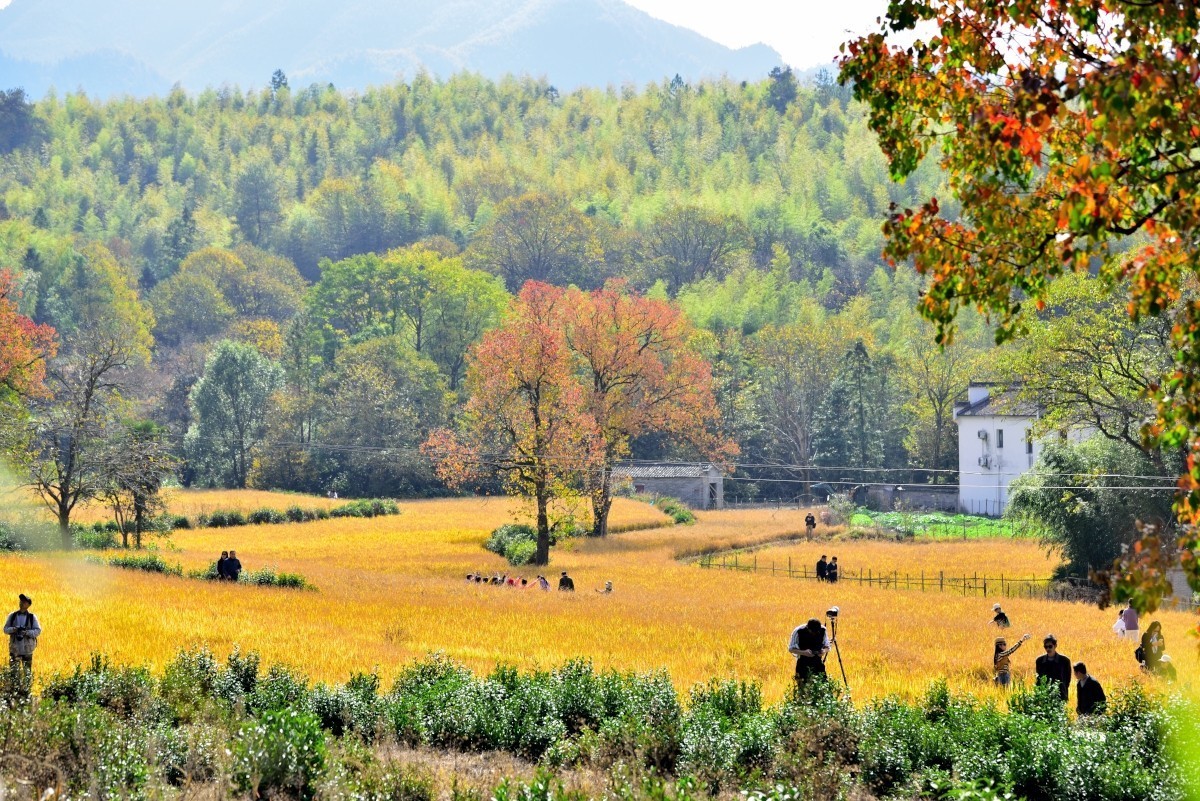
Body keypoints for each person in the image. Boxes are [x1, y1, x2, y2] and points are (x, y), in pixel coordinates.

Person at [4, 594, 41, 685]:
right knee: (14, 673)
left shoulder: (32, 617)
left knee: (27, 673)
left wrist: (26, 632)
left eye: (24, 602)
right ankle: (14, 691)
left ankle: (26, 691)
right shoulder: (12, 616)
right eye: (21, 601)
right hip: (15, 649)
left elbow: (38, 631)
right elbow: (5, 629)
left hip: (27, 649)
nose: (21, 603)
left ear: (28, 605)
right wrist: (14, 629)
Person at [788, 618, 830, 687]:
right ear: (807, 628)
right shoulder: (798, 631)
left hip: (818, 663)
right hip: (803, 663)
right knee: (803, 689)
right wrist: (804, 652)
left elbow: (827, 646)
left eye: (816, 632)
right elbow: (791, 649)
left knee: (823, 686)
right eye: (813, 632)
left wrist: (823, 651)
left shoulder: (823, 630)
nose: (814, 634)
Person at [1035, 634, 1072, 701]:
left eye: (1050, 646)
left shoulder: (1065, 661)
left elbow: (1067, 680)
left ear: (1055, 646)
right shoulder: (1039, 661)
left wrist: (1063, 690)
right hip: (1044, 695)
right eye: (1046, 647)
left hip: (1060, 695)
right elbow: (1038, 678)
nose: (1048, 649)